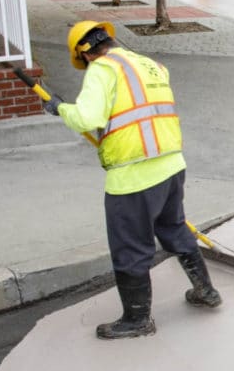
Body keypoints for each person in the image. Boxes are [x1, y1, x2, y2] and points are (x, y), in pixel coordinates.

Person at [46, 20, 223, 339]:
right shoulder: (151, 65)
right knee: (174, 228)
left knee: (130, 246)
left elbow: (88, 118)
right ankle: (206, 290)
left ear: (84, 53)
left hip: (134, 176)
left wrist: (60, 108)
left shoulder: (102, 69)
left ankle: (137, 319)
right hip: (171, 165)